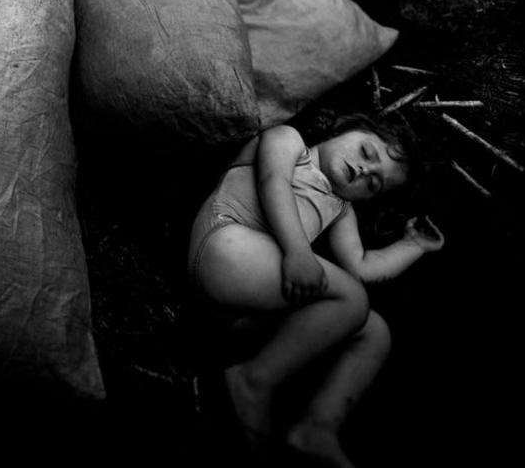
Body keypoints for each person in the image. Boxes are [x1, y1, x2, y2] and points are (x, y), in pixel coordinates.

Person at [187, 113, 444, 466]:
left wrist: (413, 245)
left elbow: (362, 268)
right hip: (223, 249)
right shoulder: (289, 141)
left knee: (373, 331)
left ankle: (318, 426)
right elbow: (273, 181)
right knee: (351, 298)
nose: (365, 171)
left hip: (247, 307)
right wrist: (298, 252)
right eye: (367, 152)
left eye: (374, 185)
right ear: (344, 129)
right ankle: (252, 381)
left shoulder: (341, 211)